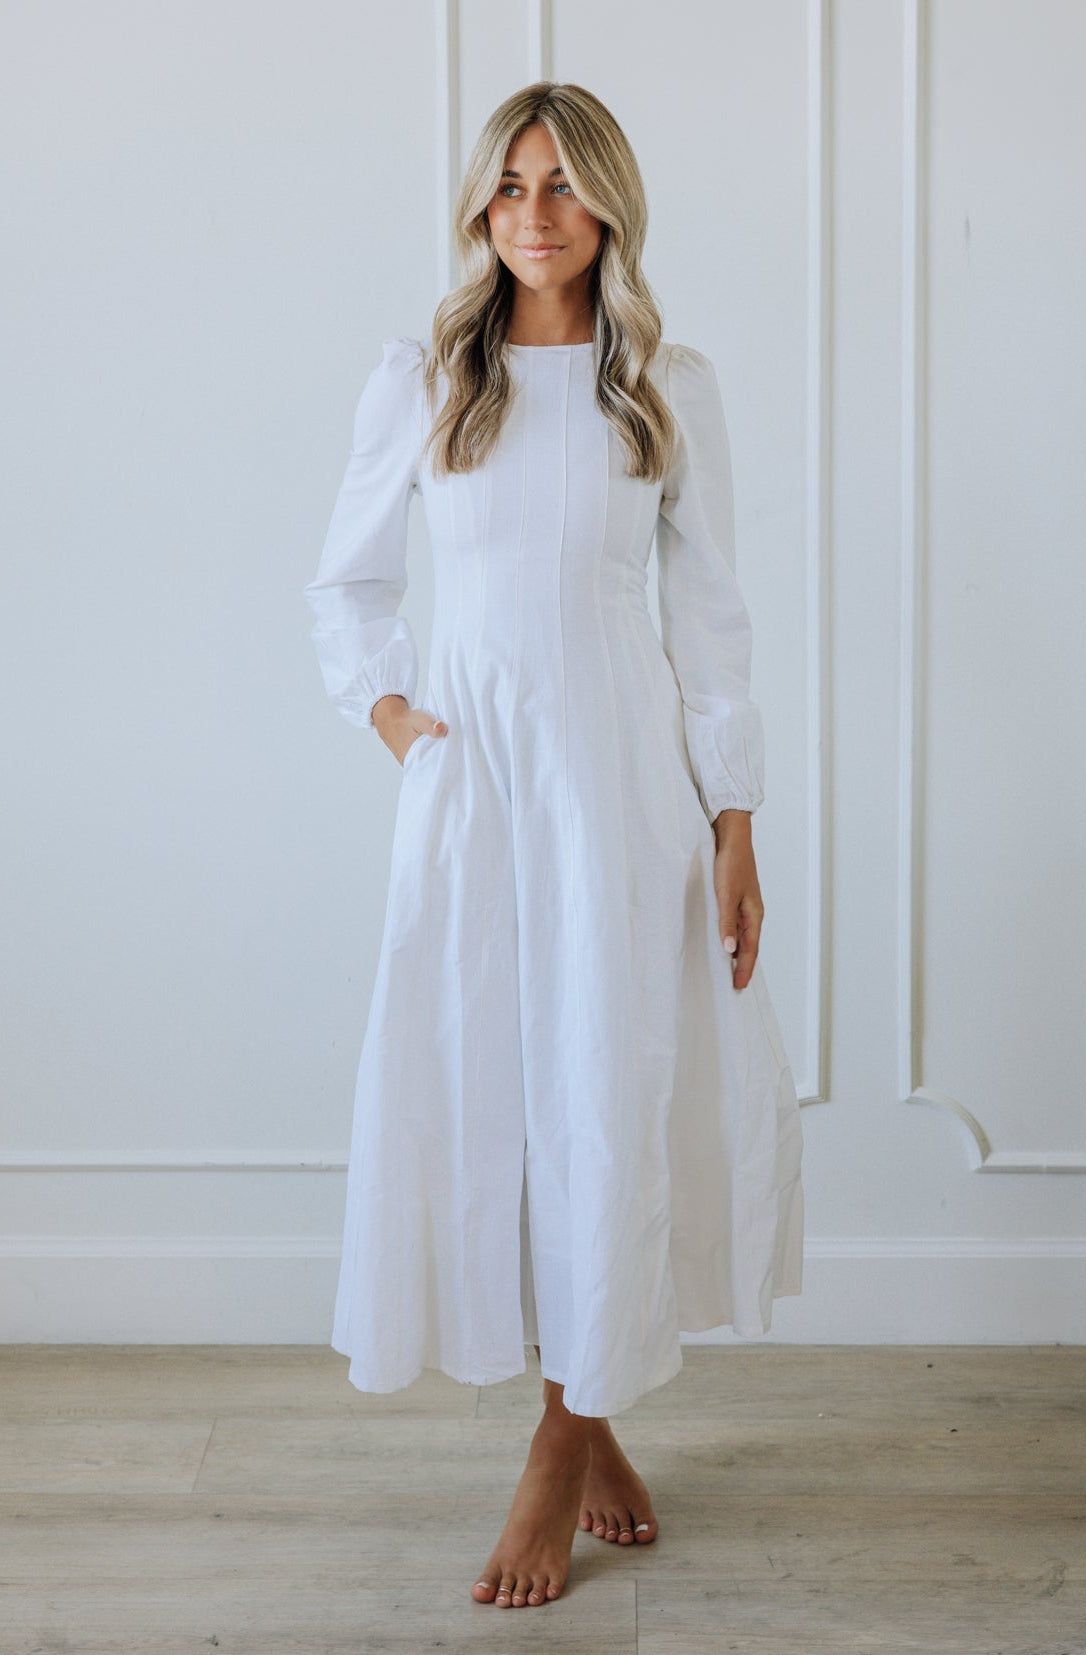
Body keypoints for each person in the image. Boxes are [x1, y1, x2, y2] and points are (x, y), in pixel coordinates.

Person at [302, 81, 804, 1610]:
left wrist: (734, 819)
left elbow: (709, 623)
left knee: (604, 1092)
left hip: (619, 784)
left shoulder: (660, 382)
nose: (536, 210)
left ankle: (558, 1442)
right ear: (480, 207)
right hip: (473, 789)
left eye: (566, 185)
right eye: (511, 184)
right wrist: (399, 727)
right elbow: (348, 584)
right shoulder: (426, 381)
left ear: (610, 208)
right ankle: (585, 1423)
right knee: (488, 1096)